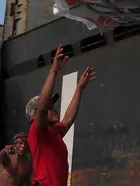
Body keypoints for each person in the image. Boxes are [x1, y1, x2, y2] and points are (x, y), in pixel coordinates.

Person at [27, 44, 97, 186]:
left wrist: (79, 88)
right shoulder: (38, 132)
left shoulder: (55, 133)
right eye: (50, 108)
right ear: (36, 115)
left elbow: (69, 118)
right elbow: (42, 105)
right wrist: (54, 70)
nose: (54, 109)